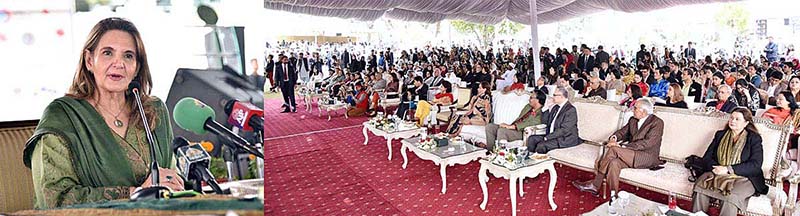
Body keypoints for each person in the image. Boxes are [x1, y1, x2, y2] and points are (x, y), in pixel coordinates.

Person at [22, 17, 182, 209]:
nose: (119, 63)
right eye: (108, 53)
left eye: (128, 56)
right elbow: (55, 200)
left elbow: (171, 177)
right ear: (89, 61)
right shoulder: (62, 116)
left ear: (137, 67)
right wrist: (135, 194)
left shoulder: (153, 111)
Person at [573, 98, 664, 196]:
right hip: (632, 154)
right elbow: (622, 132)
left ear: (644, 111)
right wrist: (614, 138)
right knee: (614, 163)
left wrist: (621, 145)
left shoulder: (657, 122)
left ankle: (596, 184)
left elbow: (647, 143)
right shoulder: (633, 119)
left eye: (635, 108)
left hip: (647, 156)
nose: (632, 109)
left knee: (614, 150)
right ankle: (614, 196)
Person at [692, 108, 766, 216]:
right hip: (717, 172)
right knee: (700, 188)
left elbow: (756, 165)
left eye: (737, 119)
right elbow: (707, 158)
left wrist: (728, 169)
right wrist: (717, 168)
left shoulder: (754, 138)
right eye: (731, 118)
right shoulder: (720, 135)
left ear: (746, 123)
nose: (733, 121)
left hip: (744, 177)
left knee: (730, 196)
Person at [526, 87, 581, 153]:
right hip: (553, 136)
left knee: (542, 145)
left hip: (565, 138)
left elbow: (564, 130)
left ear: (561, 96)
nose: (552, 97)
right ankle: (530, 160)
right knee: (532, 139)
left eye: (554, 95)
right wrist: (545, 108)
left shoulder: (570, 110)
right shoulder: (555, 107)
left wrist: (547, 138)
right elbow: (545, 122)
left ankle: (540, 162)